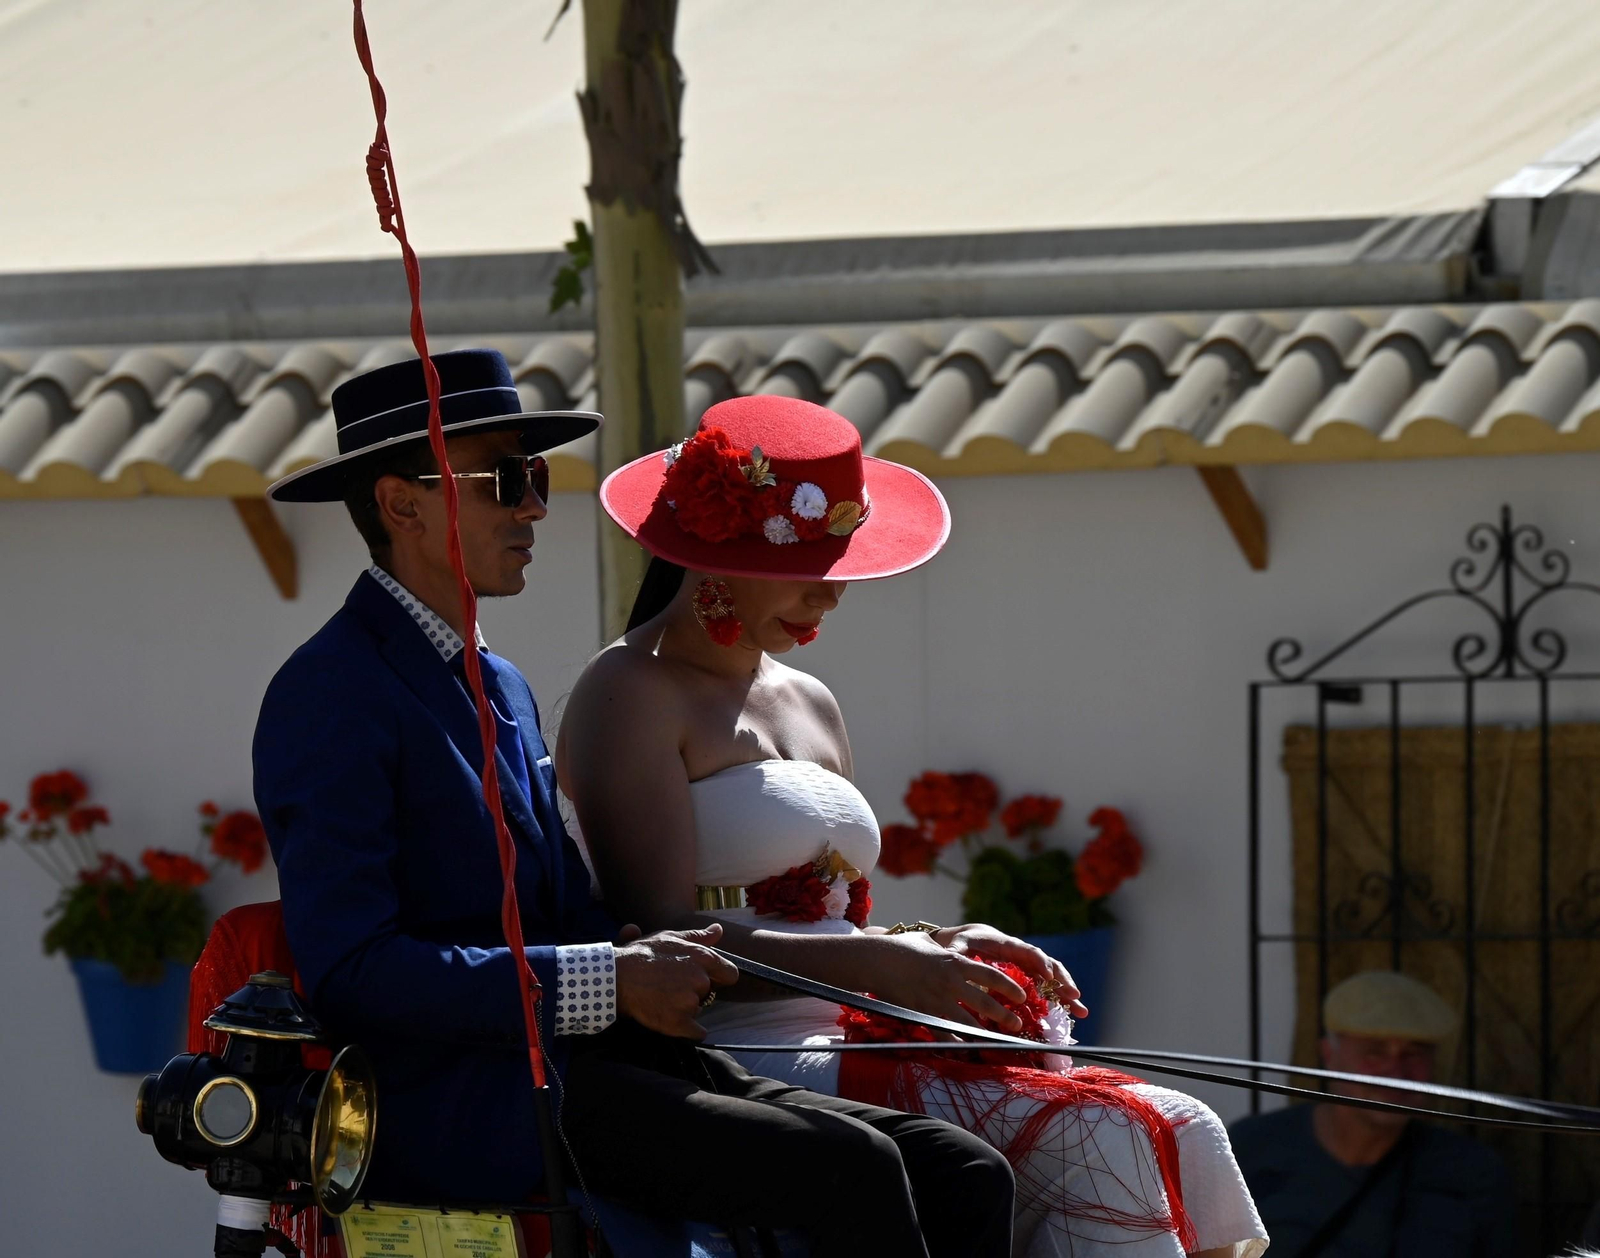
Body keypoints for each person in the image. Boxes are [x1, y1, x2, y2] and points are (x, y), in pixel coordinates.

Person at [252, 350, 1016, 1258]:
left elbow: (564, 911)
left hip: (584, 1065)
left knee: (965, 1171)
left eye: (537, 478)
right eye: (507, 480)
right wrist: (604, 979)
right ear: (401, 503)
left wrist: (647, 960)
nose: (536, 507)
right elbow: (353, 969)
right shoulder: (334, 689)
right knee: (852, 1168)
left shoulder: (499, 682)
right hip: (461, 1099)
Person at [558, 393, 1268, 1258]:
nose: (832, 593)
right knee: (1103, 1136)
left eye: (840, 564)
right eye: (803, 565)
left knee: (1187, 1124)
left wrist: (937, 945)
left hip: (854, 1031)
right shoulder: (629, 690)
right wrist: (879, 965)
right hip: (732, 1060)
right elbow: (657, 935)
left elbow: (831, 920)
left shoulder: (810, 700)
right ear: (716, 555)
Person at [1229, 970, 1518, 1257]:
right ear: (1329, 1055)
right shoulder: (1250, 1148)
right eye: (1375, 1052)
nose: (1396, 1072)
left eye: (1413, 1054)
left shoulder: (1471, 1172)